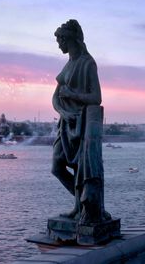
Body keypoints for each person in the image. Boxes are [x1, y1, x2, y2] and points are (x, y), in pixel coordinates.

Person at [52, 19, 108, 223]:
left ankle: (82, 208)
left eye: (60, 40)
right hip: (66, 123)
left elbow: (96, 98)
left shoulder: (87, 63)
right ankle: (78, 204)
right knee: (57, 167)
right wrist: (63, 112)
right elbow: (55, 97)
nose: (59, 45)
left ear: (69, 39)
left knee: (80, 169)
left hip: (82, 124)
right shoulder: (68, 64)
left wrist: (73, 94)